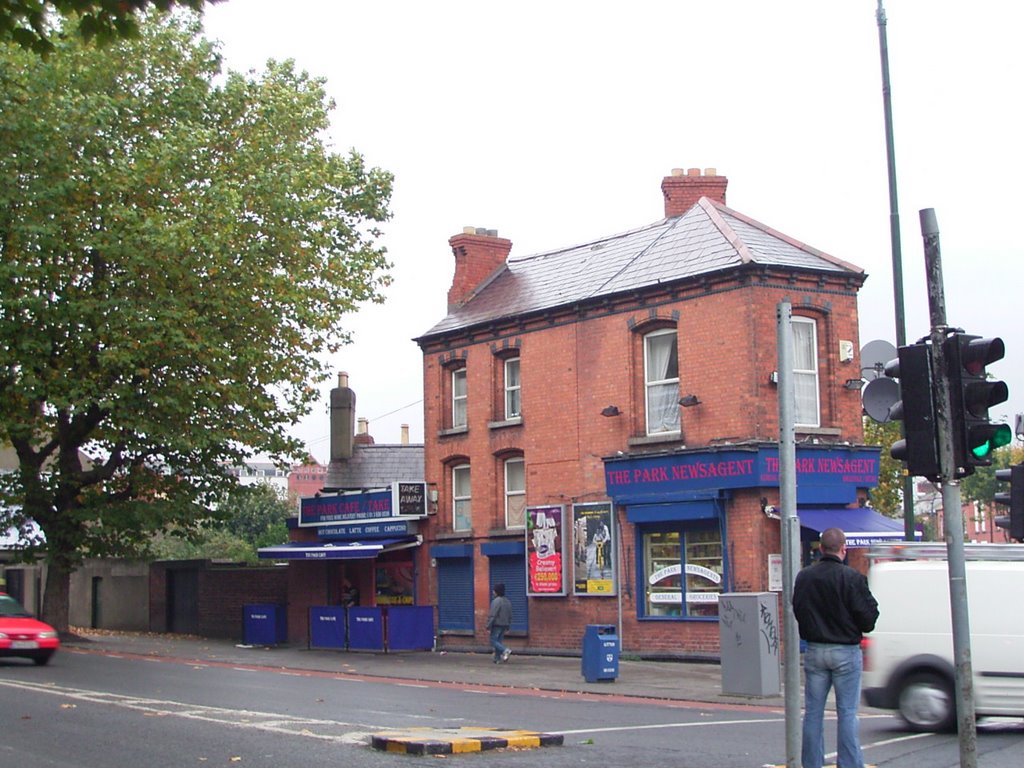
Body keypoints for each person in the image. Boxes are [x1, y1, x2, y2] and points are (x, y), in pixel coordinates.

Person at [792, 527, 879, 768]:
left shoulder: (804, 577)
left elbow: (798, 608)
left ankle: (811, 763)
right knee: (847, 713)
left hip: (815, 649)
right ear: (843, 549)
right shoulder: (852, 578)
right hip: (846, 651)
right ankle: (849, 764)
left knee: (813, 714)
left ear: (820, 548)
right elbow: (869, 619)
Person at [486, 583, 513, 663]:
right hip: (504, 624)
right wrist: (508, 625)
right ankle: (497, 659)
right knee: (499, 641)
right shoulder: (507, 601)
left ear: (497, 591)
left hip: (497, 624)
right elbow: (510, 615)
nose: (493, 592)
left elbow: (493, 614)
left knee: (493, 640)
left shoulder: (496, 601)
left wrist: (488, 625)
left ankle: (505, 650)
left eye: (494, 591)